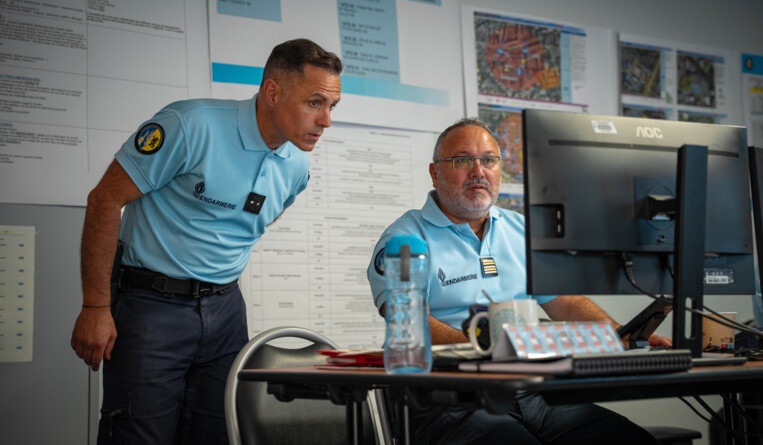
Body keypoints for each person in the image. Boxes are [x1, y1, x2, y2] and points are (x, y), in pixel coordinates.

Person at [69, 38, 342, 445]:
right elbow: (105, 200)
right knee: (138, 435)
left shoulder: (297, 165)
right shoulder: (190, 124)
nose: (326, 121)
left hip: (226, 311)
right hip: (151, 307)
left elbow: (248, 224)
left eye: (332, 107)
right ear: (272, 92)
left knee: (216, 433)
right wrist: (95, 305)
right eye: (315, 103)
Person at [367, 117, 670, 444]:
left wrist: (620, 334)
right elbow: (408, 321)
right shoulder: (405, 239)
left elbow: (565, 302)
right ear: (434, 172)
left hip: (531, 392)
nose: (478, 171)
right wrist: (483, 353)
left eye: (489, 160)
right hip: (445, 398)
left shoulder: (520, 230)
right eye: (463, 160)